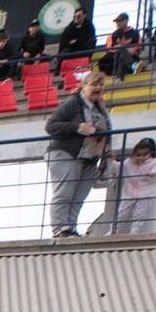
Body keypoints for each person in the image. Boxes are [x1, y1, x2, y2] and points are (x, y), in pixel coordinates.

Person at [43, 70, 110, 238]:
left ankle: (70, 228)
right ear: (84, 86)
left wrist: (106, 154)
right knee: (64, 193)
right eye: (94, 84)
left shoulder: (101, 109)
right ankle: (59, 229)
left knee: (79, 196)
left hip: (89, 157)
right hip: (67, 153)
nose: (98, 88)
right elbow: (51, 125)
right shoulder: (73, 103)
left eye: (101, 85)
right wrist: (77, 127)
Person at [100, 137, 156, 234]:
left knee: (140, 213)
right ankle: (114, 229)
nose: (141, 157)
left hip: (146, 194)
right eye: (138, 155)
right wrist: (110, 160)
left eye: (145, 154)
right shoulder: (129, 162)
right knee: (121, 213)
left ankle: (135, 229)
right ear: (134, 154)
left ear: (151, 153)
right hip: (128, 193)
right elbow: (117, 168)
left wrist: (152, 174)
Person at [100, 13, 141, 80]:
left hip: (131, 57)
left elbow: (138, 47)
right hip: (113, 60)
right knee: (120, 51)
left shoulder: (135, 33)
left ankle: (118, 78)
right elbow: (109, 49)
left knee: (122, 53)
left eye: (120, 21)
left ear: (126, 21)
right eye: (117, 21)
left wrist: (125, 49)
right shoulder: (112, 35)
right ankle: (134, 66)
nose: (118, 23)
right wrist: (123, 49)